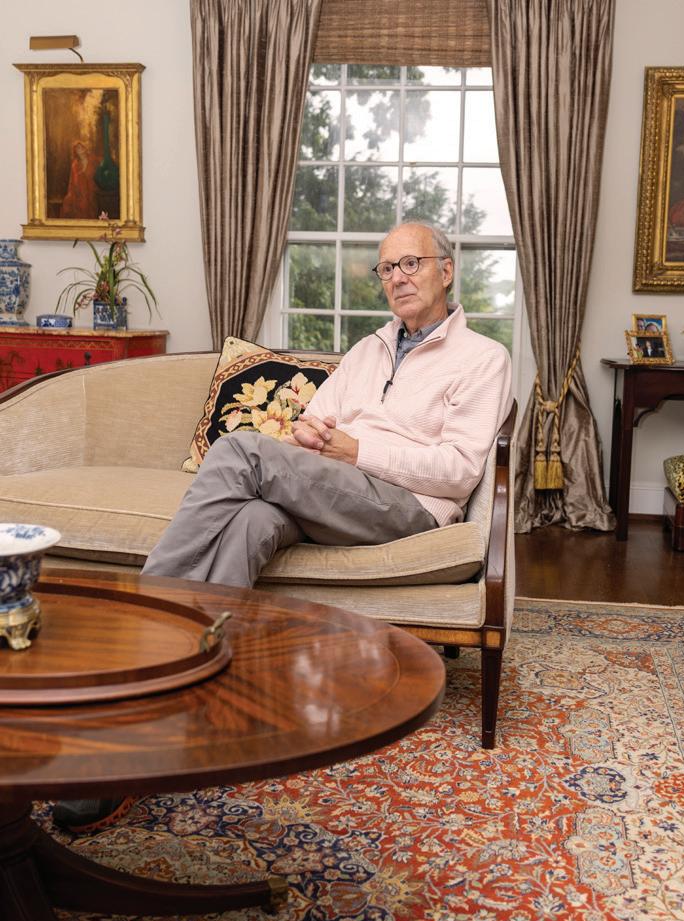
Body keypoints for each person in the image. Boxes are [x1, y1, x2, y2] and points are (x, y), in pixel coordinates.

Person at [51, 220, 513, 832]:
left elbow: (459, 471)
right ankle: (179, 700)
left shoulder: (484, 359)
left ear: (446, 271)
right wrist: (311, 435)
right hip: (337, 490)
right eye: (387, 268)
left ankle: (142, 629)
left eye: (412, 263)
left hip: (409, 506)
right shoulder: (369, 349)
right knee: (251, 521)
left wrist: (355, 450)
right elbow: (316, 418)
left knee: (241, 450)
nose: (397, 278)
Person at [60, 140, 100, 220]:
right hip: (79, 194)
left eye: (81, 147)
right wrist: (70, 194)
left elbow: (99, 176)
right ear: (75, 151)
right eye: (78, 148)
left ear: (85, 148)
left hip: (92, 192)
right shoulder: (75, 165)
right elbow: (72, 182)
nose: (80, 149)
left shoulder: (93, 160)